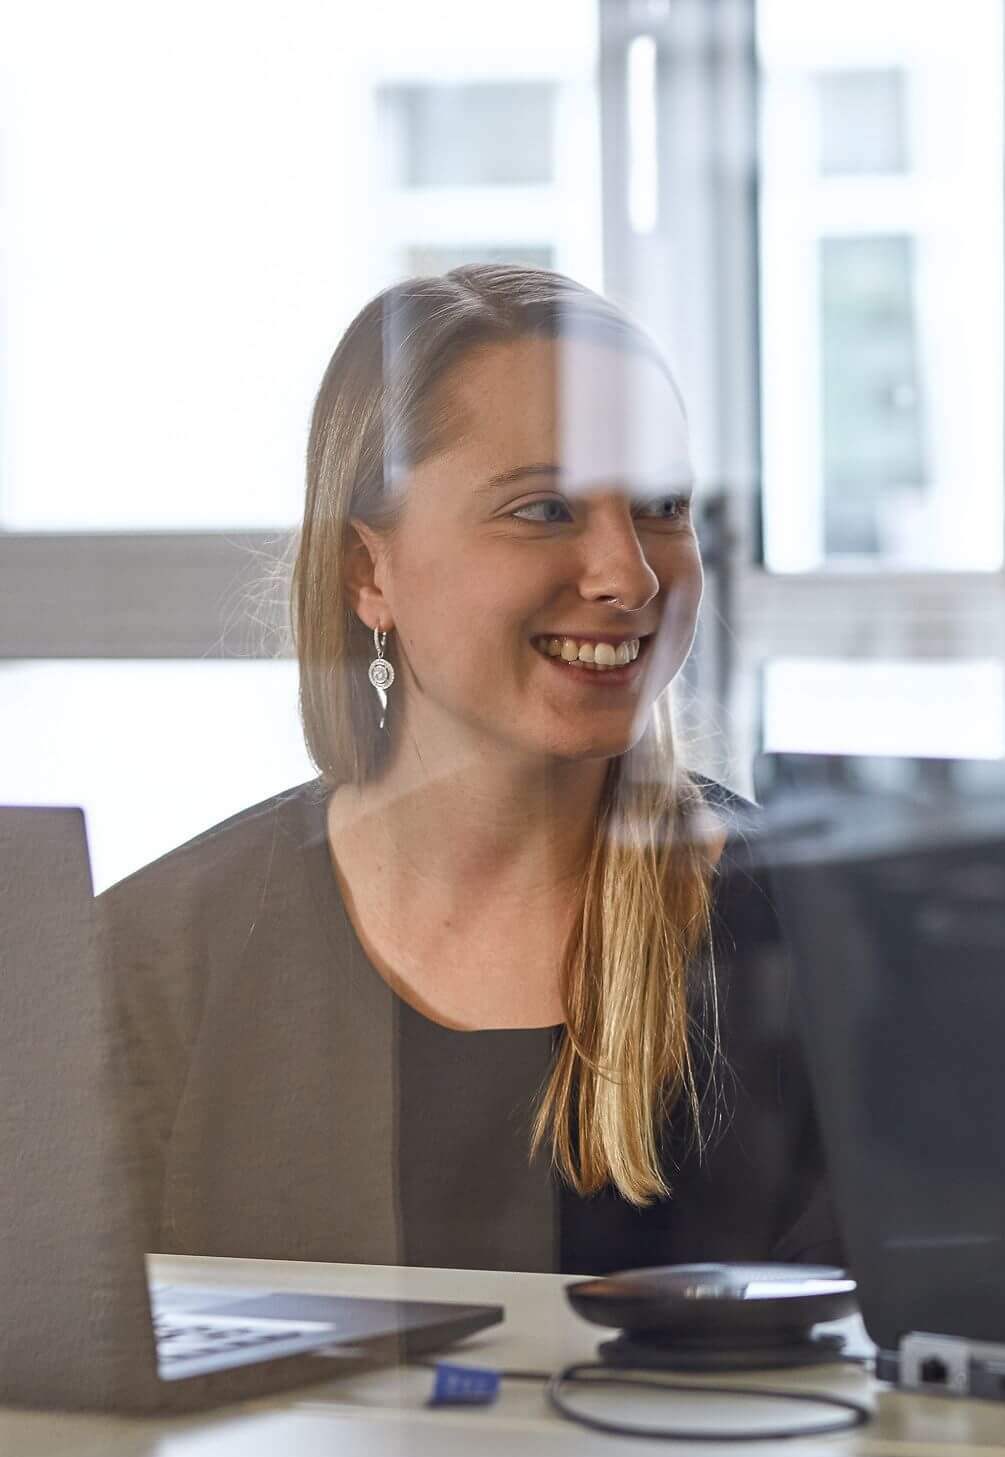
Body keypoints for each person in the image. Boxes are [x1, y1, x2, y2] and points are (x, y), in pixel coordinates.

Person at [101, 266, 837, 1274]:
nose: (629, 573)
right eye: (543, 510)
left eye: (663, 506)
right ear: (370, 571)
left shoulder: (817, 935)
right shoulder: (156, 961)